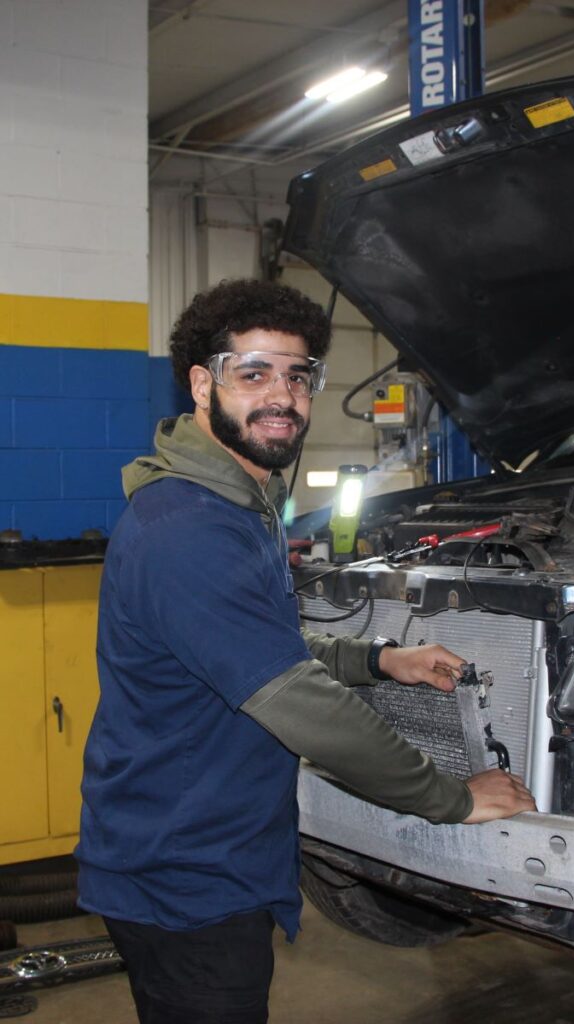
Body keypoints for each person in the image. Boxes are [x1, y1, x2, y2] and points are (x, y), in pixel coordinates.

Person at [76, 278, 536, 1024]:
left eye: (297, 375)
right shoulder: (188, 528)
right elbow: (294, 698)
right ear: (204, 383)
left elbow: (267, 640)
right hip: (184, 871)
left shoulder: (236, 501)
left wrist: (380, 659)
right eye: (253, 372)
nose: (280, 396)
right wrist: (449, 798)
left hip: (211, 846)